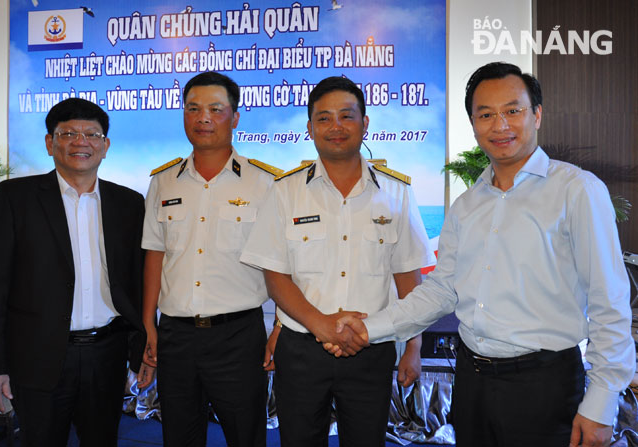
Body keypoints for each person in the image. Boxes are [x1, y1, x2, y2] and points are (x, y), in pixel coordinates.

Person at [334, 62, 635, 447]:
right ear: (473, 124)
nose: (500, 125)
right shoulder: (466, 205)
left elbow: (610, 303)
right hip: (472, 382)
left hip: (545, 387)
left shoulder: (577, 191)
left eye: (513, 111)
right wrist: (367, 328)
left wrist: (602, 403)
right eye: (486, 114)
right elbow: (441, 291)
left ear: (537, 114)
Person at [240, 76, 434, 446]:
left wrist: (413, 347)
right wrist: (321, 325)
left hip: (372, 349)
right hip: (300, 351)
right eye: (324, 118)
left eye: (346, 116)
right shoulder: (285, 191)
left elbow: (408, 277)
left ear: (365, 123)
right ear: (310, 128)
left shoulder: (396, 193)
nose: (336, 127)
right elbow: (276, 277)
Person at [0, 97, 154, 446]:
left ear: (105, 145)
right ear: (50, 143)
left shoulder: (129, 204)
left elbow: (136, 284)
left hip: (107, 353)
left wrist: (141, 351)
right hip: (36, 357)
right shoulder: (15, 198)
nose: (81, 141)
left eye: (92, 134)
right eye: (68, 133)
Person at [141, 71, 281, 447]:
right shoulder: (163, 181)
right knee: (179, 435)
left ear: (235, 117)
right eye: (193, 108)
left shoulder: (265, 182)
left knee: (245, 434)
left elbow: (283, 263)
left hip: (239, 335)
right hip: (176, 335)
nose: (203, 118)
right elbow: (156, 253)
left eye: (215, 109)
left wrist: (280, 326)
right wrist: (148, 323)